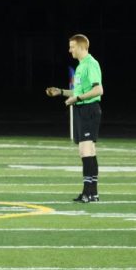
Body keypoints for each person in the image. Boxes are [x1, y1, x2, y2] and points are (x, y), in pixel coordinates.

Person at [46, 33, 104, 203]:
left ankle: (88, 192)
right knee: (87, 151)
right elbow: (79, 91)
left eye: (72, 46)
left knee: (86, 150)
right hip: (82, 109)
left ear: (80, 47)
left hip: (89, 109)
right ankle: (92, 193)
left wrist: (77, 99)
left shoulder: (91, 64)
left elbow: (98, 90)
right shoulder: (80, 66)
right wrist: (61, 92)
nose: (69, 50)